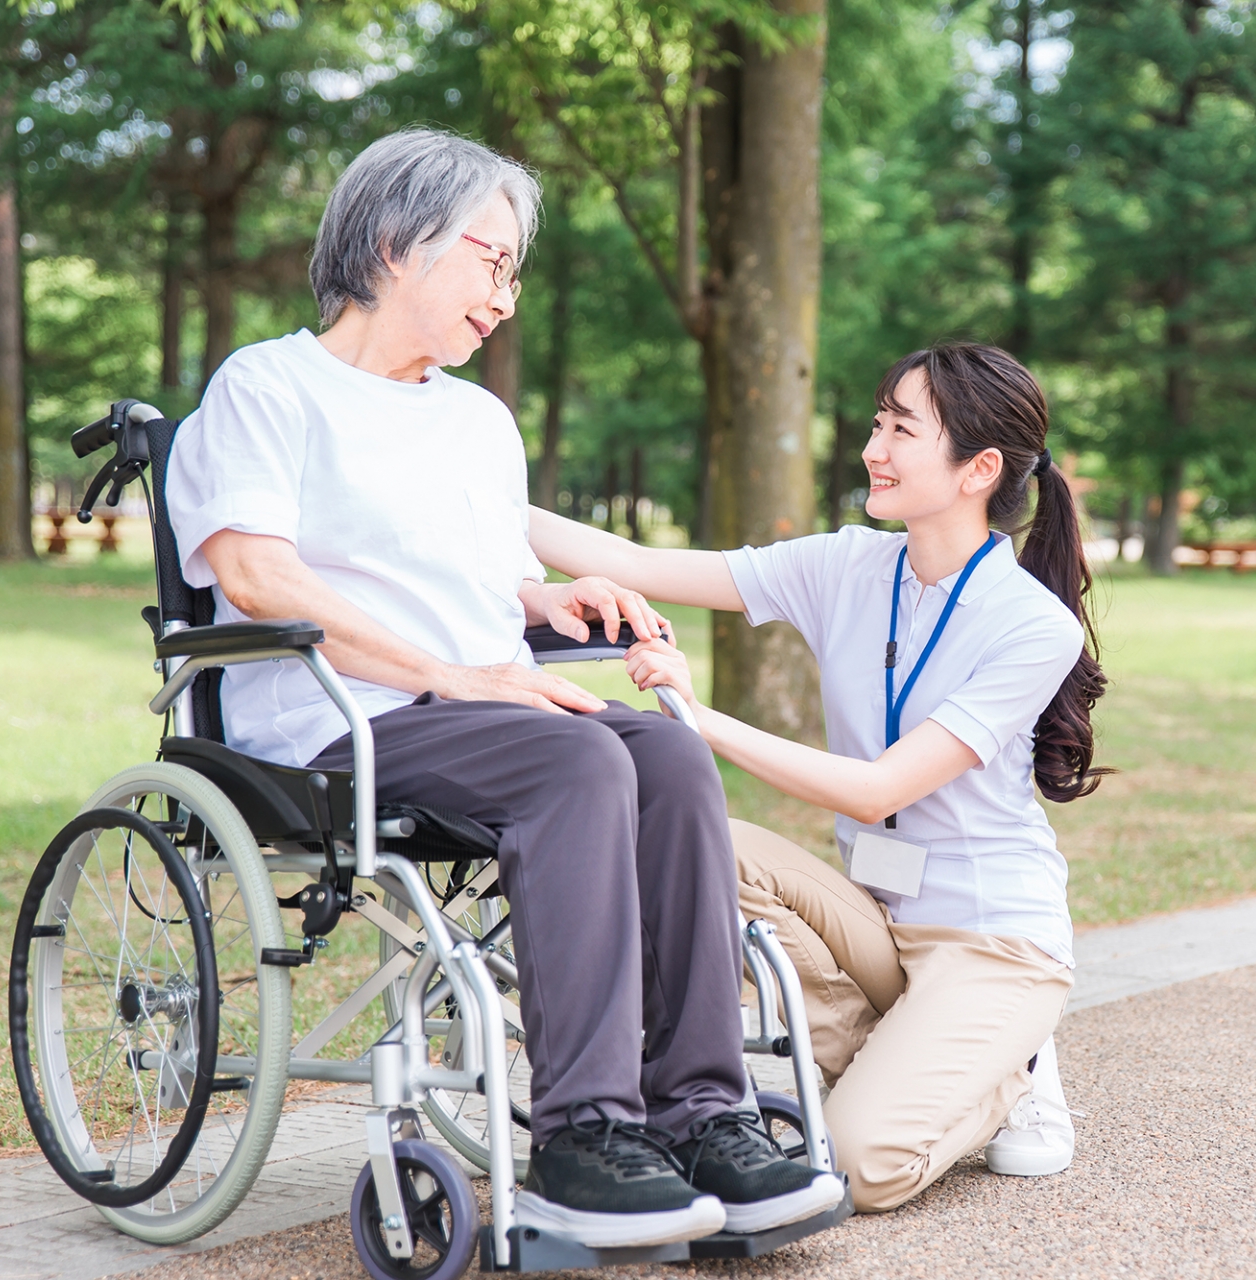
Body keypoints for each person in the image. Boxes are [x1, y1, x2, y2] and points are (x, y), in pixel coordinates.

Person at [163, 128, 843, 1248]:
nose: (507, 296)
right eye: (492, 260)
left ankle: (702, 1112)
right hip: (334, 724)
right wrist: (457, 673)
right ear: (395, 245)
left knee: (666, 753)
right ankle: (583, 1139)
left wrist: (543, 599)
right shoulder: (268, 387)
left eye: (514, 270)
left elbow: (460, 573)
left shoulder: (477, 420)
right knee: (578, 756)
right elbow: (255, 571)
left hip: (474, 709)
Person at [530, 341, 1111, 1212]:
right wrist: (474, 498)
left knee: (859, 1165)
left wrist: (698, 715)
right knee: (689, 847)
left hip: (989, 939)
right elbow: (640, 565)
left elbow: (882, 790)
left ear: (977, 469)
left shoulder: (1034, 625)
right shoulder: (849, 564)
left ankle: (1009, 1072)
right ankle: (918, 1049)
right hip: (876, 919)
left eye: (901, 430)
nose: (873, 448)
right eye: (879, 423)